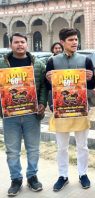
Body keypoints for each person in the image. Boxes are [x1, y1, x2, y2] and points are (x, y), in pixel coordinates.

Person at [45, 28, 95, 192]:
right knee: (62, 147)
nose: (75, 42)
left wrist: (91, 77)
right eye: (71, 40)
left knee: (83, 145)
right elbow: (48, 87)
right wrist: (48, 80)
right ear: (62, 42)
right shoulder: (53, 61)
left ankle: (83, 174)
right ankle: (63, 175)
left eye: (76, 39)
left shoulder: (85, 60)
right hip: (61, 110)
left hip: (80, 109)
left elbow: (92, 86)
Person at [0, 32, 48, 196]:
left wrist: (42, 103)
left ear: (27, 44)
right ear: (10, 44)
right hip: (10, 115)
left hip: (31, 114)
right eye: (16, 42)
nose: (20, 45)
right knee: (12, 150)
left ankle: (32, 176)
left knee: (33, 148)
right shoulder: (2, 64)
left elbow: (43, 87)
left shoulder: (38, 64)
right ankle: (16, 179)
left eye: (22, 42)